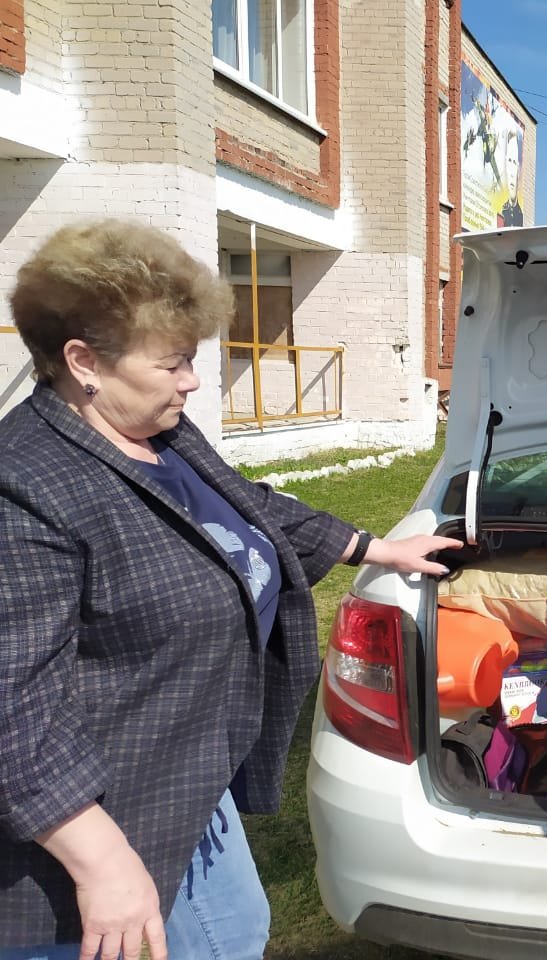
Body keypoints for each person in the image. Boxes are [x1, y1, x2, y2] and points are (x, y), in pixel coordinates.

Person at [0, 219, 462, 960]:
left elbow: (249, 506)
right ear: (83, 361)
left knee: (237, 937)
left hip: (190, 784)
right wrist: (101, 861)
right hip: (92, 830)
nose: (192, 380)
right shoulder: (25, 486)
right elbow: (11, 706)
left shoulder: (162, 436)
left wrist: (377, 546)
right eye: (174, 361)